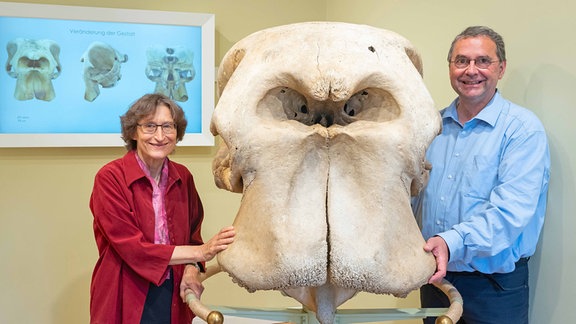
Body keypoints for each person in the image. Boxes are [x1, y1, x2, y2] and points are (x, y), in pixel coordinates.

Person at [413, 26, 550, 323]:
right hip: (434, 280)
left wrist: (450, 242)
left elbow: (510, 213)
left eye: (482, 61)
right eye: (461, 61)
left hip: (494, 289)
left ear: (501, 69)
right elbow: (410, 196)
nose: (471, 70)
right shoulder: (430, 129)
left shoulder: (522, 130)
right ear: (450, 67)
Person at [89, 93, 235, 324]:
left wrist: (191, 268)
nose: (159, 136)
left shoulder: (183, 176)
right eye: (149, 126)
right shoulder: (110, 178)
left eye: (167, 126)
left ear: (177, 132)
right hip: (126, 290)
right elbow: (132, 248)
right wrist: (202, 252)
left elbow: (192, 236)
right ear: (133, 131)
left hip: (173, 291)